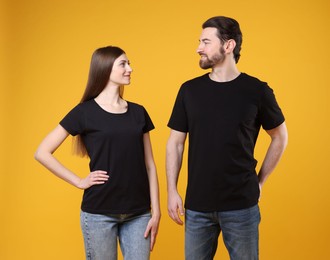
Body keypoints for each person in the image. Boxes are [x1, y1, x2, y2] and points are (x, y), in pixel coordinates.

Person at [166, 16, 288, 260]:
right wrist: (172, 190)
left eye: (206, 42)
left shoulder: (257, 90)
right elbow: (175, 143)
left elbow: (280, 137)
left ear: (229, 45)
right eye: (200, 42)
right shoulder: (189, 90)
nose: (199, 48)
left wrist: (260, 181)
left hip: (242, 205)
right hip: (197, 206)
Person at [35, 46, 161, 260]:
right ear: (105, 69)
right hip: (98, 214)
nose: (130, 68)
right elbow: (42, 152)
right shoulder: (84, 112)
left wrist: (155, 211)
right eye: (123, 64)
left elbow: (149, 165)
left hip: (139, 213)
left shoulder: (139, 112)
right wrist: (78, 181)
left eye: (129, 63)